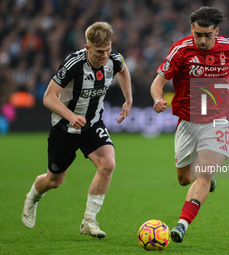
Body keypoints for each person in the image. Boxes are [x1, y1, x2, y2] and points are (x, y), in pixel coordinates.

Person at [21, 21, 133, 239]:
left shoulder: (113, 59)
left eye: (108, 50)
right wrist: (71, 117)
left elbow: (123, 70)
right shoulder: (73, 64)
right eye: (99, 51)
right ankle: (33, 196)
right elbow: (48, 97)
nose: (104, 55)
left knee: (108, 164)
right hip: (65, 127)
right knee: (54, 181)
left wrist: (128, 100)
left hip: (93, 124)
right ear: (87, 47)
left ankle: (89, 220)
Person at [150, 6, 229, 243]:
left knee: (203, 175)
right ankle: (207, 177)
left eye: (207, 35)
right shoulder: (180, 50)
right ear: (191, 29)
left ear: (217, 31)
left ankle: (182, 224)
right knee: (184, 179)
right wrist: (158, 98)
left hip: (218, 119)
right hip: (187, 120)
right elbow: (158, 82)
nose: (202, 41)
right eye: (198, 35)